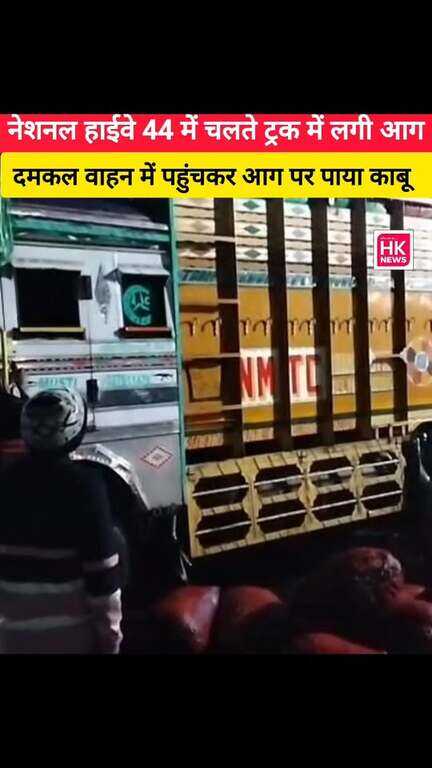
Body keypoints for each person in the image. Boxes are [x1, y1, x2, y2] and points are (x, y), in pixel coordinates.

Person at [0, 388, 123, 654]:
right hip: (71, 639)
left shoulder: (6, 481)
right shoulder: (86, 487)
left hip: (11, 640)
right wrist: (110, 641)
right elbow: (103, 580)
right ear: (74, 430)